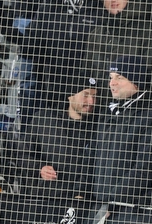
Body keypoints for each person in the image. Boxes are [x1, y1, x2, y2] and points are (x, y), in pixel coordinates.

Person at [92, 55, 152, 223]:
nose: (112, 83)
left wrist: (113, 201)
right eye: (111, 78)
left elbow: (144, 167)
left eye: (119, 77)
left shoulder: (151, 116)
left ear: (135, 83)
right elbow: (95, 158)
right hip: (101, 205)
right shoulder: (108, 113)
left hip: (131, 209)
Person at [22, 75, 98, 224]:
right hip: (42, 202)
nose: (91, 102)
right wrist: (40, 168)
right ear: (71, 96)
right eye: (86, 95)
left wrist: (81, 193)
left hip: (78, 205)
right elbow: (22, 155)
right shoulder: (45, 120)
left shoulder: (99, 128)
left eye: (95, 97)